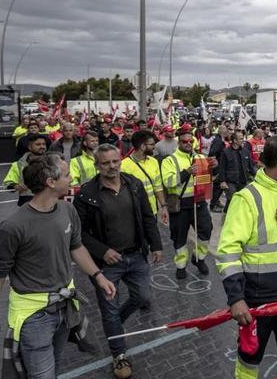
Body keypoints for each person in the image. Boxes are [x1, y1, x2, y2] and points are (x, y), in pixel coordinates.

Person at [0, 154, 117, 379]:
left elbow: (76, 248)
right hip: (34, 318)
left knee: (54, 368)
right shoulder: (12, 227)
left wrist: (98, 276)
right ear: (51, 182)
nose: (71, 179)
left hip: (65, 308)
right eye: (67, 175)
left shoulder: (68, 211)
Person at [215, 135, 277, 379]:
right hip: (258, 298)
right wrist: (236, 298)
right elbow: (228, 252)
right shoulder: (246, 198)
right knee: (250, 355)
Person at [74, 144, 164, 378]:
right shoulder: (86, 194)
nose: (112, 166)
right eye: (106, 163)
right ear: (97, 165)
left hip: (136, 256)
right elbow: (79, 234)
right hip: (105, 266)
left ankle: (115, 324)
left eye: (115, 161)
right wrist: (102, 251)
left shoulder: (133, 184)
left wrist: (156, 245)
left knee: (142, 296)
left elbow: (147, 217)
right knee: (109, 310)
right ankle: (119, 356)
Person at [161, 129, 215, 279]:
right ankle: (181, 266)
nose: (188, 144)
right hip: (180, 204)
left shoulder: (200, 157)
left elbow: (208, 178)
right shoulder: (170, 160)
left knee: (206, 231)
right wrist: (187, 172)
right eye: (185, 142)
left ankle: (199, 259)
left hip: (199, 201)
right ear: (179, 142)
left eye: (191, 141)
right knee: (179, 237)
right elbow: (168, 181)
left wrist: (213, 166)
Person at [121, 130, 170, 223]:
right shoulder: (123, 166)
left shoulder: (154, 162)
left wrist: (163, 207)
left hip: (152, 211)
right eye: (151, 144)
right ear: (143, 146)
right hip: (133, 214)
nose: (154, 147)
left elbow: (158, 187)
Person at [4, 133, 48, 206]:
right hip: (27, 201)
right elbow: (7, 183)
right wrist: (15, 186)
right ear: (30, 147)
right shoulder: (18, 164)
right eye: (38, 144)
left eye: (44, 144)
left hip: (48, 200)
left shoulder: (53, 162)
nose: (42, 146)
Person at [218, 130, 257, 212]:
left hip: (243, 182)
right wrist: (222, 181)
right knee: (232, 201)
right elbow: (222, 167)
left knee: (242, 202)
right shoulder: (226, 152)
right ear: (235, 140)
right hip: (231, 182)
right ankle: (226, 217)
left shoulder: (245, 151)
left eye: (243, 138)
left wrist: (257, 176)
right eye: (240, 139)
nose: (243, 140)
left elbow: (251, 166)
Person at [208, 124, 232, 212]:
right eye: (226, 130)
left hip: (220, 166)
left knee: (219, 188)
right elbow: (212, 153)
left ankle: (216, 201)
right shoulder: (218, 141)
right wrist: (216, 162)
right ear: (222, 131)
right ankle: (213, 205)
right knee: (217, 187)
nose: (227, 132)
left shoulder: (220, 140)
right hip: (217, 168)